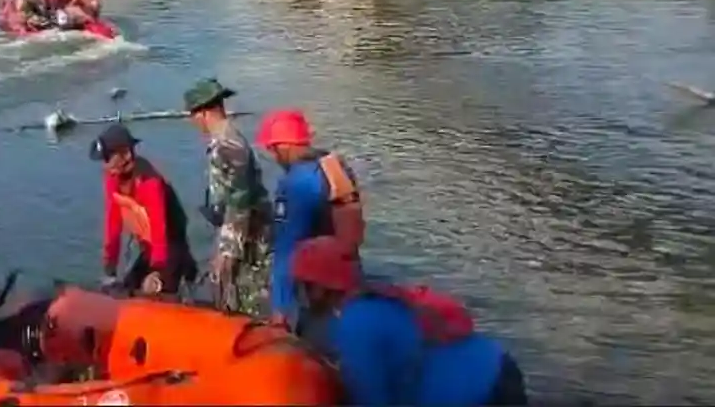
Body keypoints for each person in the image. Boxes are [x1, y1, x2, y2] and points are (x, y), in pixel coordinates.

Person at [290, 236, 528, 406]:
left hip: (483, 392)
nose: (302, 293)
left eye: (304, 285)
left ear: (321, 287)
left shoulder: (354, 326)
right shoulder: (377, 296)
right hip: (496, 366)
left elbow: (371, 399)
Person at [255, 108, 365, 327]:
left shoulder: (297, 182)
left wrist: (281, 308)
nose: (274, 157)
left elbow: (287, 247)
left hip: (316, 289)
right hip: (347, 277)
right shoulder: (334, 166)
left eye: (273, 150)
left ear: (284, 145)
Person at [183, 78, 273, 317]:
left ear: (202, 113)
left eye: (192, 115)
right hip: (241, 231)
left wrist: (227, 251)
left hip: (250, 238)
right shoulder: (224, 141)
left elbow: (239, 201)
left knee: (249, 301)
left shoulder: (227, 145)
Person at [89, 123, 197, 295]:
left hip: (170, 246)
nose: (105, 165)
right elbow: (112, 223)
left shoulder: (149, 182)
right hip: (148, 247)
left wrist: (157, 271)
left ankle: (183, 271)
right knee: (127, 288)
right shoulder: (112, 179)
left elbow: (158, 226)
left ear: (125, 154)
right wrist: (110, 265)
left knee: (157, 293)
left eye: (108, 158)